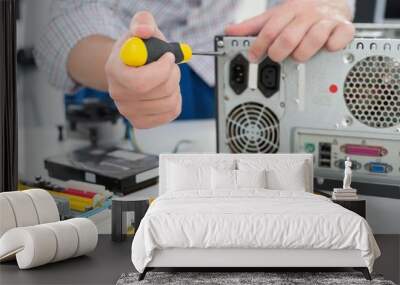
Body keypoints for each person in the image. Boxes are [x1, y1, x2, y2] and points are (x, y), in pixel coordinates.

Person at [35, 0, 356, 129]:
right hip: (113, 78)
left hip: (216, 77)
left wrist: (326, 7)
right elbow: (62, 25)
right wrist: (113, 66)